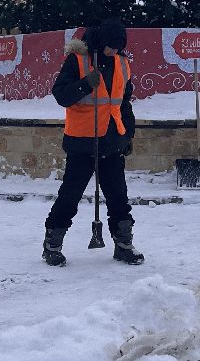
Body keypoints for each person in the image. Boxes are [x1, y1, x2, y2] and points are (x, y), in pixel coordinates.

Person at [42, 18, 144, 267]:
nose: (114, 51)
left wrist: (128, 134)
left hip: (112, 140)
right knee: (70, 196)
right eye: (110, 46)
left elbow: (123, 102)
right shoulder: (78, 60)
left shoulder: (122, 63)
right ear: (100, 43)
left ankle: (123, 245)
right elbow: (61, 95)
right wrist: (86, 83)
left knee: (119, 197)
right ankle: (52, 245)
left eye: (118, 47)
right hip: (82, 142)